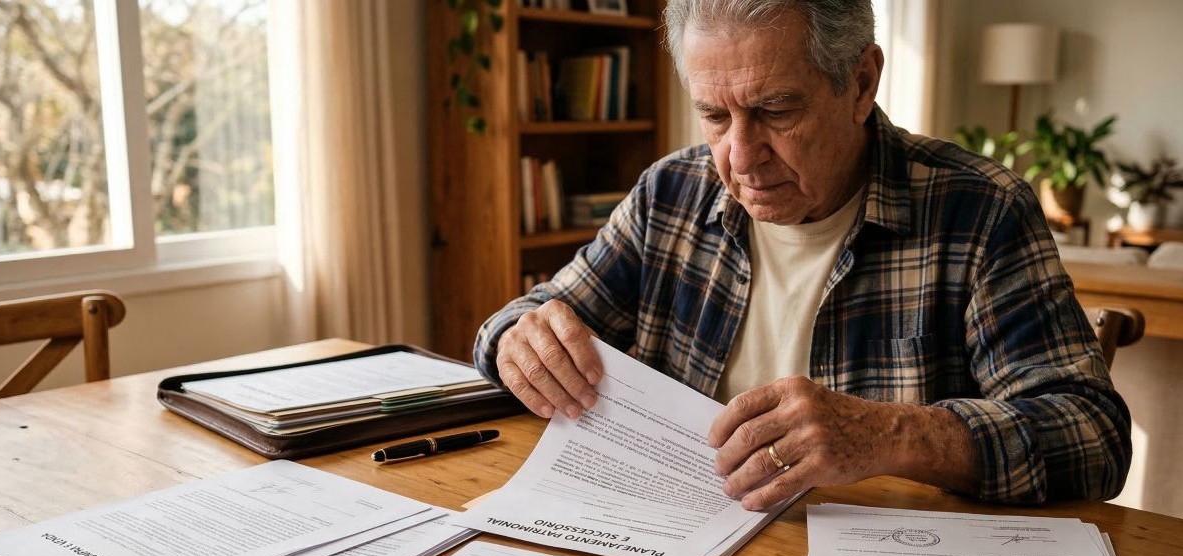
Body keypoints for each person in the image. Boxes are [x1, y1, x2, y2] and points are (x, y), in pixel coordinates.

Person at [473, 0, 1130, 512]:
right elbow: (530, 320)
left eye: (775, 110)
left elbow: (1092, 437)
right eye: (714, 116)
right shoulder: (670, 193)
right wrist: (516, 341)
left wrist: (887, 437)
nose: (739, 155)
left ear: (862, 82)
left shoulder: (980, 211)